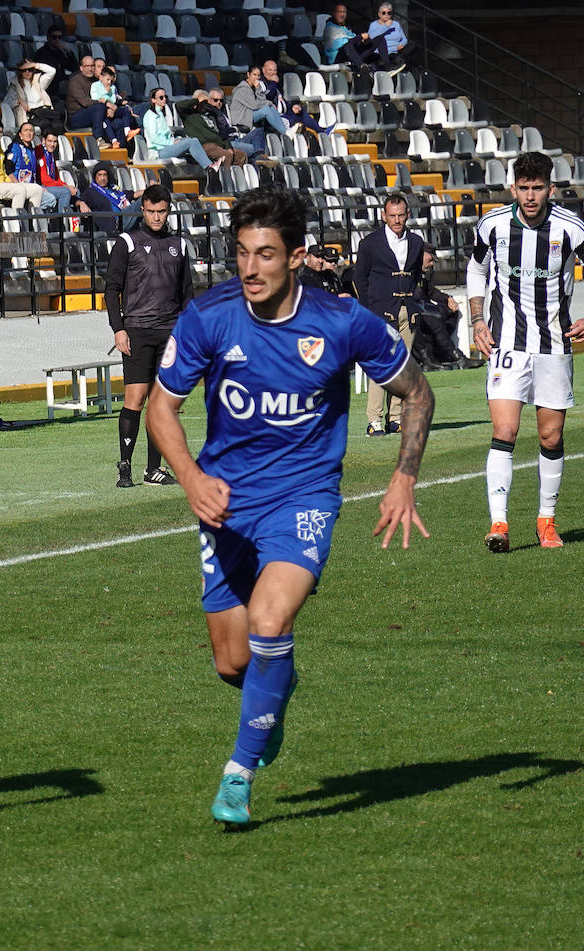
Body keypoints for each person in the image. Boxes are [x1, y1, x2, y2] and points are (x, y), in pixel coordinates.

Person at [145, 186, 433, 827]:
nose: (250, 268)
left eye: (266, 255)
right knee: (234, 661)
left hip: (303, 498)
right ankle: (275, 693)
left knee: (270, 623)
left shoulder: (341, 321)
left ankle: (238, 776)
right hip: (224, 503)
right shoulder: (209, 316)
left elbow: (418, 394)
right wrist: (190, 478)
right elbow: (160, 409)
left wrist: (403, 476)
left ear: (297, 257)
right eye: (243, 253)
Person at [467, 150, 584, 553]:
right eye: (524, 188)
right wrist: (477, 320)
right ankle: (498, 523)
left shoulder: (570, 228)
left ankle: (546, 520)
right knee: (505, 431)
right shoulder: (492, 225)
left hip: (553, 345)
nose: (530, 196)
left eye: (537, 188)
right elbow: (476, 270)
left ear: (550, 188)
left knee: (550, 436)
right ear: (512, 188)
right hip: (507, 344)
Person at [104, 183, 190, 488]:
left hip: (171, 332)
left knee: (161, 404)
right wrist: (119, 329)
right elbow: (111, 289)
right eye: (151, 211)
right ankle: (125, 466)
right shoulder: (127, 241)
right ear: (143, 210)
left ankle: (153, 470)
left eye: (162, 211)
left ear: (168, 210)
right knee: (136, 398)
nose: (156, 216)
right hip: (137, 330)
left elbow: (187, 294)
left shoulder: (179, 244)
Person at [352, 193, 423, 436]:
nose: (396, 220)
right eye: (392, 216)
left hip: (408, 312)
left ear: (408, 215)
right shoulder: (370, 243)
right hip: (379, 313)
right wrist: (368, 310)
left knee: (401, 367)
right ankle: (374, 420)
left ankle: (396, 418)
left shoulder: (416, 242)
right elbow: (359, 279)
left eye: (401, 215)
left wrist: (415, 301)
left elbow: (416, 277)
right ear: (383, 216)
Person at [413, 247, 483, 371]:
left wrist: (448, 299)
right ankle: (456, 357)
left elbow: (431, 292)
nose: (431, 264)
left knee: (451, 311)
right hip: (414, 309)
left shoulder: (421, 274)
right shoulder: (409, 272)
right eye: (429, 260)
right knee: (434, 318)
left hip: (423, 307)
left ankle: (441, 352)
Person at [140, 88, 214, 169]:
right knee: (191, 142)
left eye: (165, 97)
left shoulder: (160, 114)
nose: (164, 99)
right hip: (158, 152)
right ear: (153, 100)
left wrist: (176, 140)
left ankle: (207, 166)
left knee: (192, 140)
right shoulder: (150, 116)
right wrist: (171, 142)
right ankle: (209, 166)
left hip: (166, 147)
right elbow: (154, 138)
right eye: (161, 97)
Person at [80, 163, 143, 234]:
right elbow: (78, 200)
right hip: (116, 224)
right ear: (95, 177)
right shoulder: (91, 192)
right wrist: (81, 203)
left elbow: (134, 194)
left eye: (105, 175)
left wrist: (150, 190)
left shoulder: (114, 189)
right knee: (143, 200)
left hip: (125, 217)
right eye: (99, 175)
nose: (103, 178)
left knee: (146, 199)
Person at [5, 59, 58, 133]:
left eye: (30, 69)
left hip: (45, 111)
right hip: (30, 116)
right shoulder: (14, 85)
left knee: (58, 125)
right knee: (45, 124)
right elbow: (6, 102)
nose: (27, 72)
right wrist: (19, 101)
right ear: (20, 72)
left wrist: (35, 65)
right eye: (24, 70)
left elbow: (52, 71)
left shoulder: (38, 81)